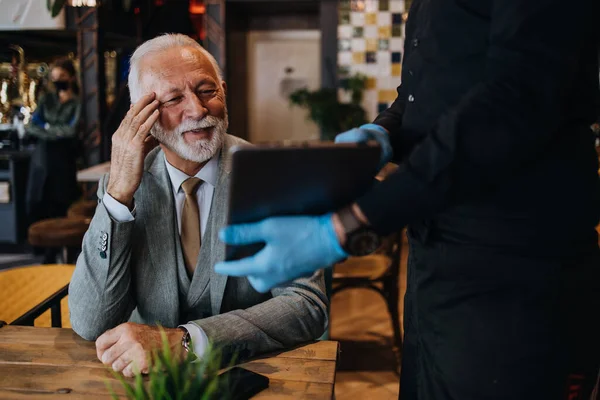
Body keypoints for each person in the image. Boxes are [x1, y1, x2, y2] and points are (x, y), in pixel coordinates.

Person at [215, 1, 600, 399]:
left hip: (518, 271)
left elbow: (517, 99)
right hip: (434, 267)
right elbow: (418, 99)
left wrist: (343, 227)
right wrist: (381, 133)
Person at [68, 34, 328, 377]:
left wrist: (189, 341)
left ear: (223, 91)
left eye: (207, 91)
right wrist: (118, 196)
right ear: (141, 115)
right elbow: (90, 322)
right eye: (174, 97)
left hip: (252, 376)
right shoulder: (123, 187)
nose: (197, 109)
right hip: (147, 383)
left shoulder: (273, 177)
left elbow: (307, 305)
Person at [25, 58, 82, 262]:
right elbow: (32, 126)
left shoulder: (77, 102)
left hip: (63, 159)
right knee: (38, 200)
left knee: (62, 201)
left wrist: (47, 129)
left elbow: (72, 130)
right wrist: (56, 132)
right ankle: (45, 251)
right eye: (55, 78)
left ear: (71, 78)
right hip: (41, 159)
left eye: (62, 77)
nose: (58, 81)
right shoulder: (46, 99)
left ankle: (63, 252)